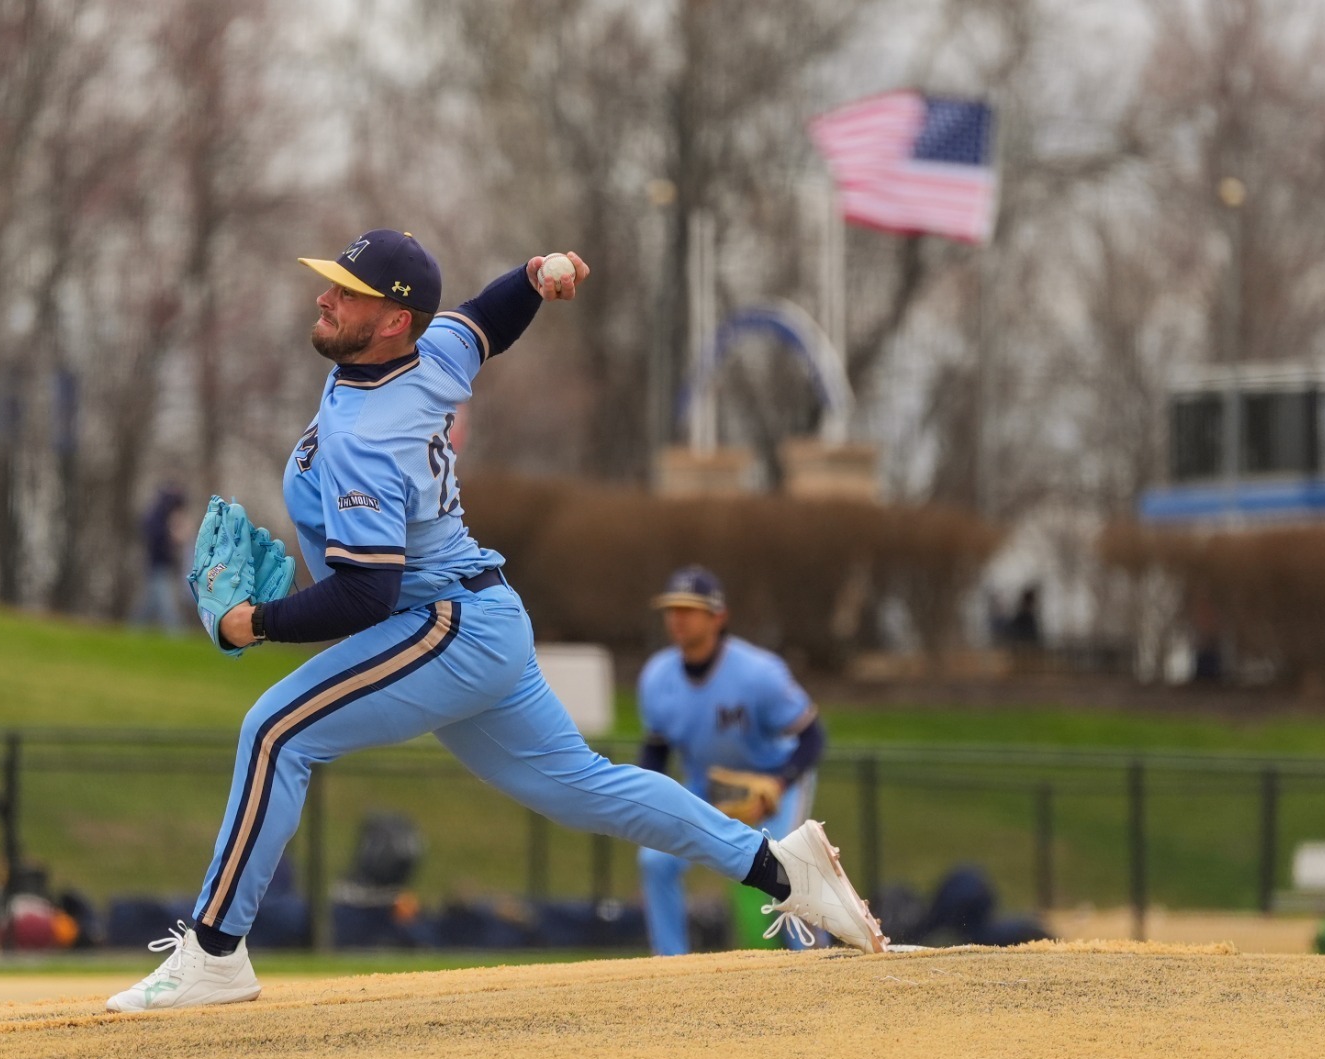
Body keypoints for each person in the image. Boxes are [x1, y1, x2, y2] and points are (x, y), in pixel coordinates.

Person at [107, 230, 885, 1013]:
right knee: (586, 788)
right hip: (479, 619)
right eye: (332, 283)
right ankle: (782, 867)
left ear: (393, 321)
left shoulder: (368, 435)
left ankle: (214, 952)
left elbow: (365, 595)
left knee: (277, 732)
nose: (326, 296)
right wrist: (532, 277)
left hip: (444, 627)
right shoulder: (427, 356)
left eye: (347, 291)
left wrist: (252, 622)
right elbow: (484, 320)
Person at [634, 566, 829, 955]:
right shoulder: (657, 677)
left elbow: (812, 736)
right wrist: (648, 803)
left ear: (718, 616)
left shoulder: (758, 673)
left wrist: (779, 783)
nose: (678, 618)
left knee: (787, 864)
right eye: (672, 609)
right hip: (707, 786)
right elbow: (656, 749)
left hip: (771, 782)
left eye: (689, 609)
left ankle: (814, 958)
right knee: (655, 860)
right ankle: (670, 966)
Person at [131, 483, 188, 633]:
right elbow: (154, 538)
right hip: (158, 564)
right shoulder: (158, 516)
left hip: (161, 564)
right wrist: (171, 539)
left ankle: (134, 630)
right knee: (166, 603)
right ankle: (176, 635)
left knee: (149, 603)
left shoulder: (160, 514)